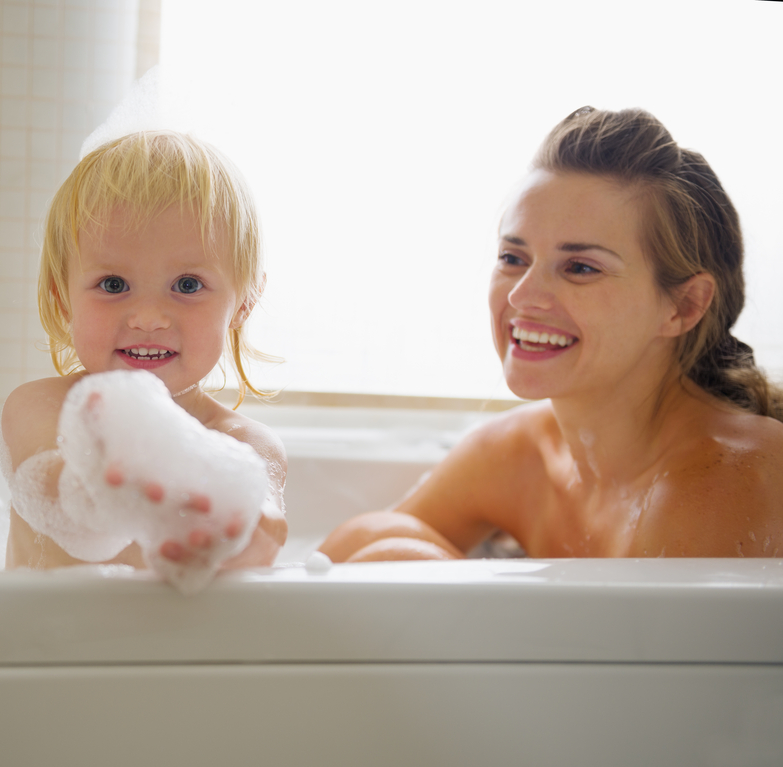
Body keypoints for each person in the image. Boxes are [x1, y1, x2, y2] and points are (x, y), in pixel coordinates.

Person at [320, 107, 783, 562]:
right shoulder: (521, 453)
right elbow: (341, 562)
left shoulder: (733, 480)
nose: (521, 295)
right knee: (379, 539)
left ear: (684, 306)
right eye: (513, 258)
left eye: (580, 268)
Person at [1, 131, 287, 571]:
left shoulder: (244, 445)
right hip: (40, 619)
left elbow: (264, 523)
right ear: (63, 299)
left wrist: (246, 533)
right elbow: (51, 486)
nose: (149, 318)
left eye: (187, 285)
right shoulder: (40, 407)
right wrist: (103, 488)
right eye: (113, 284)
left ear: (243, 303)